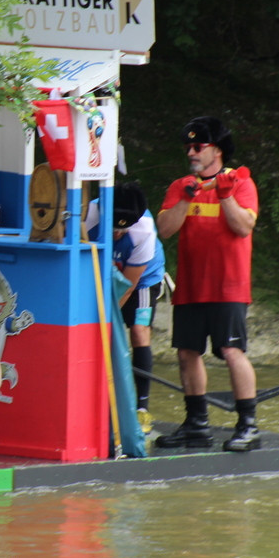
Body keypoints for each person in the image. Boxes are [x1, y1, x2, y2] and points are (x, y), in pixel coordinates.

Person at [156, 116, 260, 452]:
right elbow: (165, 229)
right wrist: (186, 199)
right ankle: (196, 426)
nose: (191, 151)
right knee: (187, 353)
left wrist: (226, 196)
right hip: (191, 285)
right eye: (187, 146)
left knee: (231, 351)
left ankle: (248, 425)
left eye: (197, 146)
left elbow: (243, 227)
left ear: (216, 150)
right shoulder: (180, 186)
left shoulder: (241, 184)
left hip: (228, 286)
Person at [83, 182, 165, 430]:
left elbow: (128, 286)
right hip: (103, 269)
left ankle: (141, 407)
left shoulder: (144, 232)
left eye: (123, 230)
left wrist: (109, 320)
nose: (117, 235)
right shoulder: (90, 214)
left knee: (138, 332)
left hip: (141, 280)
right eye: (114, 229)